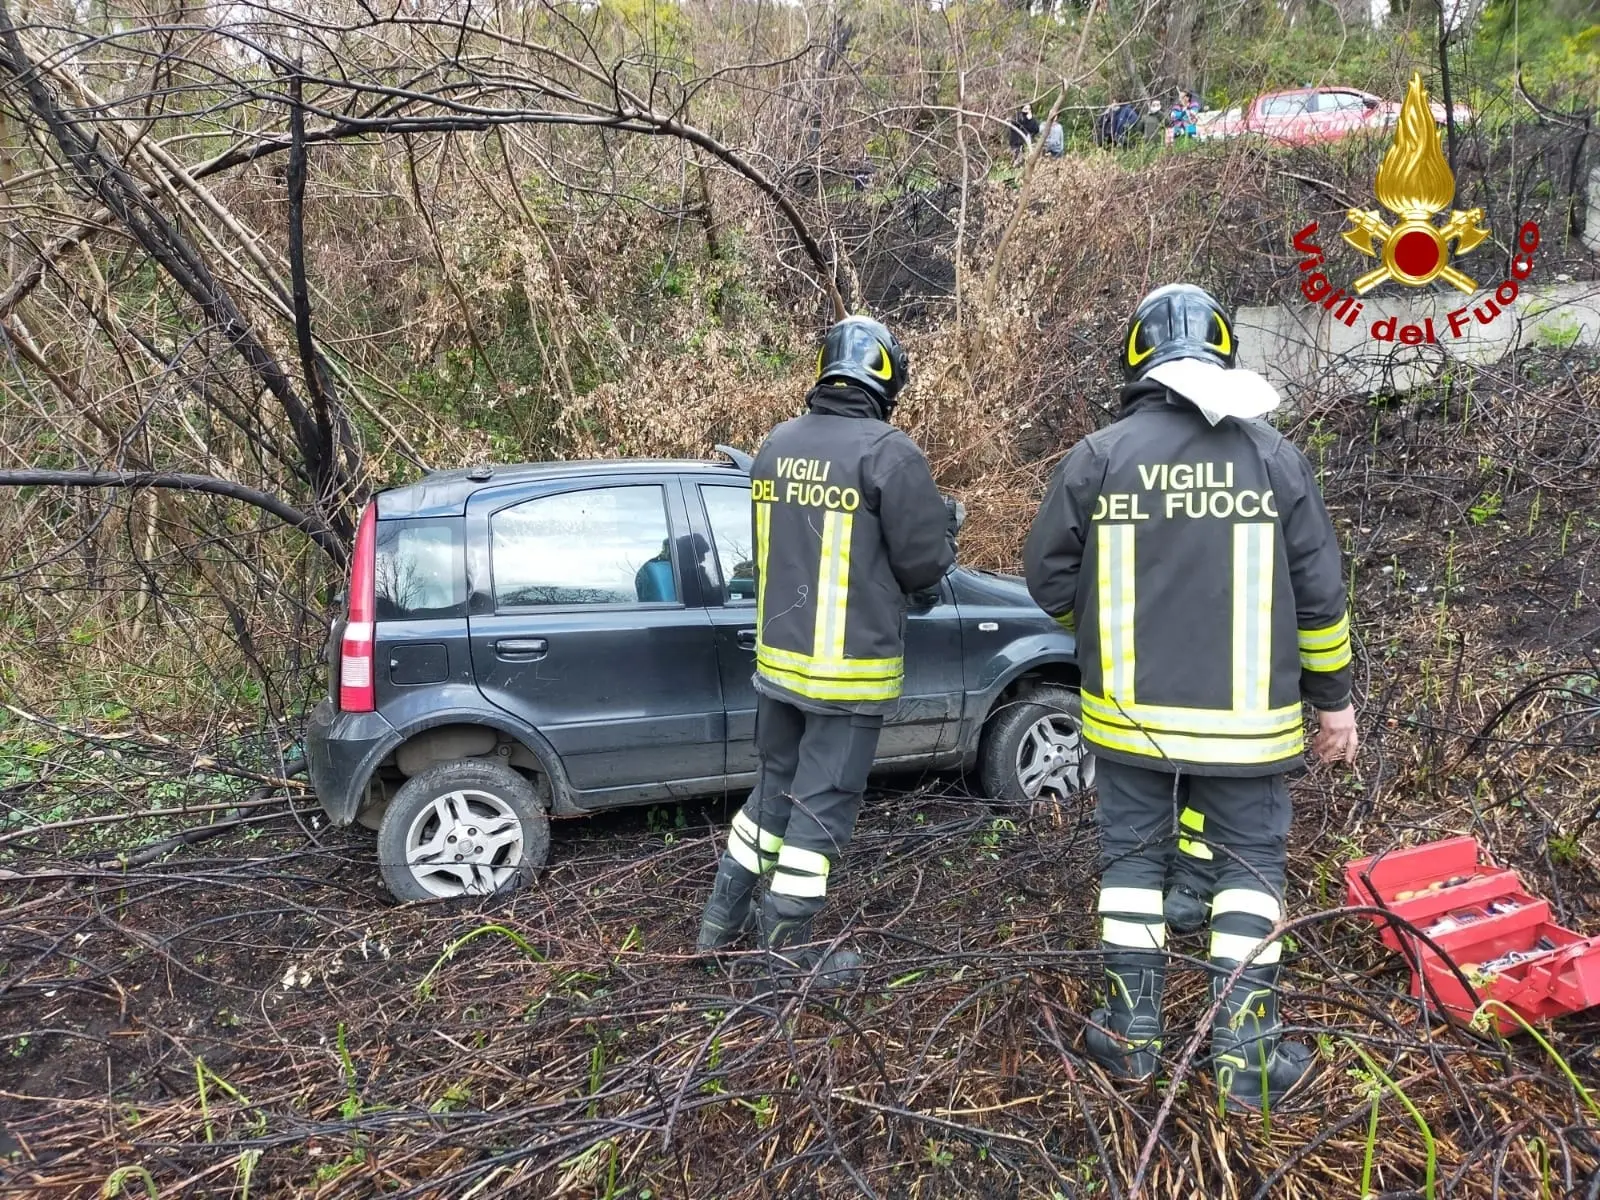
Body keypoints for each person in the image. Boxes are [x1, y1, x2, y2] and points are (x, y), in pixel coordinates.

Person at [1022, 283, 1359, 1113]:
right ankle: (1246, 1059)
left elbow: (1045, 578)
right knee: (1250, 873)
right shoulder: (1274, 456)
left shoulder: (1099, 456)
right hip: (1249, 732)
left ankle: (1131, 1039)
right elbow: (1320, 600)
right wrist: (1336, 704)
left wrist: (1099, 614)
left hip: (1128, 719)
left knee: (1132, 869)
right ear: (1220, 352)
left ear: (1136, 359)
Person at [696, 315, 959, 986]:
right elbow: (925, 566)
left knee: (772, 794)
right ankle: (783, 960)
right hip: (847, 675)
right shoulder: (889, 453)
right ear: (886, 377)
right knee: (821, 810)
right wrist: (945, 529)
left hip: (777, 668)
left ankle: (718, 925)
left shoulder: (775, 445)